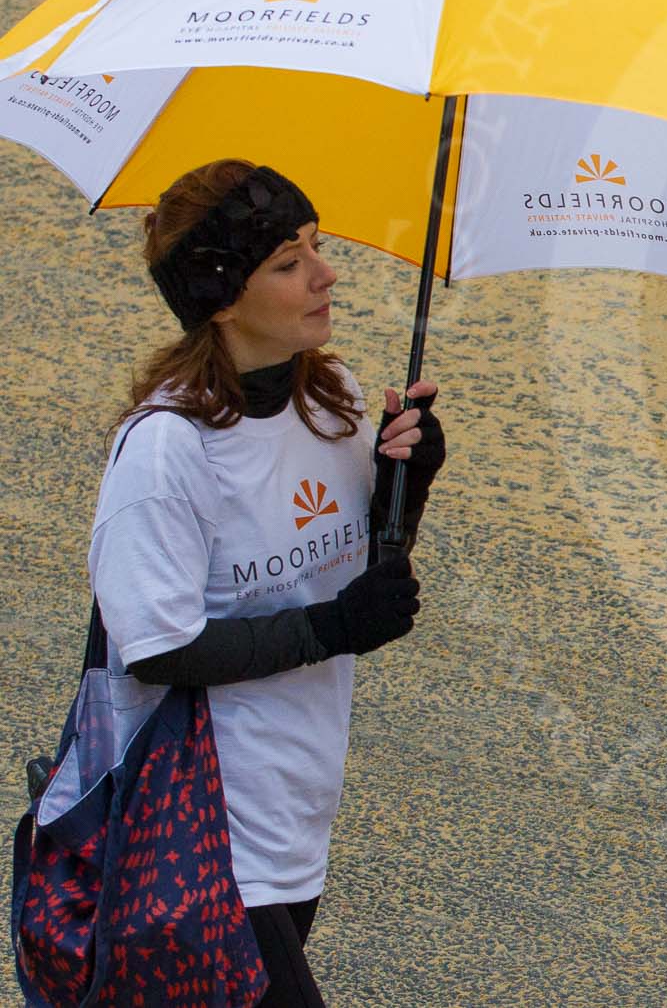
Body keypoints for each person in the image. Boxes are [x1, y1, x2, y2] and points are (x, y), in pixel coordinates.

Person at [88, 159, 446, 1008]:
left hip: (296, 812)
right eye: (289, 261)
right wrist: (331, 628)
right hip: (196, 827)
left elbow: (362, 587)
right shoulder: (168, 447)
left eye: (317, 247)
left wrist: (410, 484)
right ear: (220, 295)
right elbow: (156, 646)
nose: (326, 273)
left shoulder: (335, 401)